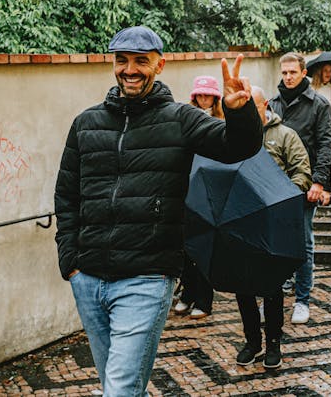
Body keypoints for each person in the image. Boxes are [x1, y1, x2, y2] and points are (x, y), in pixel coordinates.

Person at [54, 26, 261, 396]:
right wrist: (70, 260)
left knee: (118, 389)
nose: (129, 70)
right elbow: (66, 195)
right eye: (122, 61)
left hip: (146, 279)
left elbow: (237, 147)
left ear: (160, 65)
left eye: (140, 61)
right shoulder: (86, 123)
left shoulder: (180, 119)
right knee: (120, 384)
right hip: (89, 277)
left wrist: (238, 111)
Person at [234, 87, 312, 370]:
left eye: (251, 105)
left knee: (270, 285)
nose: (246, 111)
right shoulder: (236, 135)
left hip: (272, 220)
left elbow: (302, 172)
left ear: (265, 104)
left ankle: (273, 343)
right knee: (242, 286)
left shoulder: (285, 135)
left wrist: (282, 195)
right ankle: (252, 341)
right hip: (241, 219)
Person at [268, 52, 331, 325]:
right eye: (284, 73)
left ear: (304, 72)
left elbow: (325, 144)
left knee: (303, 242)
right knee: (274, 243)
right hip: (273, 186)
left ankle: (303, 299)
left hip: (304, 184)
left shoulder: (318, 104)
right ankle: (278, 288)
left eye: (293, 72)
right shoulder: (273, 104)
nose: (288, 77)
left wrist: (319, 181)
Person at [172, 75, 226, 319]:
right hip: (186, 191)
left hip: (210, 194)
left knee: (205, 249)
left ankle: (204, 299)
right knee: (185, 248)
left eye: (209, 96)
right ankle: (187, 293)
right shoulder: (185, 121)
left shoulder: (221, 123)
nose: (204, 100)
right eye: (200, 95)